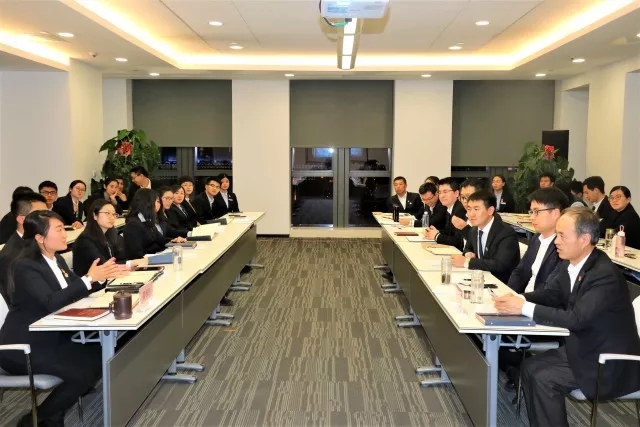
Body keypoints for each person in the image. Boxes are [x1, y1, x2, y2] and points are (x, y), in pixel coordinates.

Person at [493, 207, 640, 427]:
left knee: (544, 378)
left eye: (562, 236)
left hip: (608, 360)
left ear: (584, 239)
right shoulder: (571, 263)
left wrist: (523, 307)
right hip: (584, 347)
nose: (556, 242)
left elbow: (575, 319)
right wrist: (517, 299)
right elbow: (550, 294)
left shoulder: (604, 275)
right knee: (529, 368)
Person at [0, 210, 125, 427]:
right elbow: (51, 302)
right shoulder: (26, 266)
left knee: (100, 357)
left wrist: (97, 278)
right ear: (39, 238)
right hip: (24, 345)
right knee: (82, 374)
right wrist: (88, 279)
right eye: (58, 230)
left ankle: (50, 415)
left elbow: (76, 289)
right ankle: (33, 420)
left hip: (52, 337)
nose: (65, 234)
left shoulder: (56, 259)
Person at [507, 188, 569, 294]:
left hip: (537, 301)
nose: (531, 217)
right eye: (531, 212)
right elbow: (520, 272)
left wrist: (522, 299)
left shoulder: (564, 245)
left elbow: (550, 289)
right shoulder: (536, 238)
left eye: (536, 212)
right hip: (523, 298)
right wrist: (509, 293)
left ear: (555, 213)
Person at [452, 190, 520, 284]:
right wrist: (468, 253)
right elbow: (468, 248)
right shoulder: (474, 230)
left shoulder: (506, 232)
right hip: (480, 279)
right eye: (469, 209)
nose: (471, 214)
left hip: (501, 283)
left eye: (476, 209)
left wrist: (467, 262)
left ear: (490, 210)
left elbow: (500, 264)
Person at [73, 199, 146, 276]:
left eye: (114, 214)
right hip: (94, 282)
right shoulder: (85, 241)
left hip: (110, 278)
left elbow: (121, 257)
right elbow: (105, 267)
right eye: (107, 213)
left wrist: (133, 264)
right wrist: (135, 262)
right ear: (95, 215)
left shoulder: (110, 234)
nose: (112, 217)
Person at [0, 193, 47, 303]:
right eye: (40, 215)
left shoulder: (41, 241)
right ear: (22, 219)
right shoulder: (11, 256)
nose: (48, 219)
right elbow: (16, 300)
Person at [123, 189, 186, 259]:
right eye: (158, 201)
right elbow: (136, 255)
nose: (160, 204)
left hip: (155, 257)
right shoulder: (133, 225)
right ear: (148, 202)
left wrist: (174, 241)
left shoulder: (147, 219)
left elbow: (160, 239)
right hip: (145, 262)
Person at [425, 177, 467, 250]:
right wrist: (437, 232)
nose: (442, 196)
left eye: (445, 192)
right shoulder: (450, 207)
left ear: (456, 193)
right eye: (440, 192)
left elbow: (458, 241)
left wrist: (436, 236)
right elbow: (449, 231)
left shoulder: (460, 210)